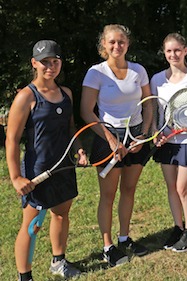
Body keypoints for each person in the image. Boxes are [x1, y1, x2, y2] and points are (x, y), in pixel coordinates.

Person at [6, 40, 82, 280]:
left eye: (55, 61)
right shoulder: (26, 97)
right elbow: (12, 140)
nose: (50, 66)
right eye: (45, 62)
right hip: (38, 172)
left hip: (63, 167)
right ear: (34, 63)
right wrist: (16, 177)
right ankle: (24, 276)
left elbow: (72, 130)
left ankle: (58, 261)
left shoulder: (67, 93)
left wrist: (79, 151)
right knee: (32, 226)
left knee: (61, 214)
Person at [80, 24, 151, 267]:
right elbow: (86, 111)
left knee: (129, 190)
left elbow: (148, 104)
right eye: (112, 42)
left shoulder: (138, 70)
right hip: (107, 138)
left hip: (136, 137)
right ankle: (108, 246)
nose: (117, 46)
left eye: (121, 42)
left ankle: (124, 238)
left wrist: (144, 135)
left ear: (127, 44)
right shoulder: (96, 73)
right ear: (104, 45)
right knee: (108, 195)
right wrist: (110, 139)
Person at [150, 33, 187, 252]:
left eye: (177, 50)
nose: (173, 55)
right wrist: (156, 132)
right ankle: (177, 226)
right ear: (164, 53)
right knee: (171, 188)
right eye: (169, 51)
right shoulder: (157, 80)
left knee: (183, 188)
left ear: (185, 51)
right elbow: (154, 111)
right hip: (167, 141)